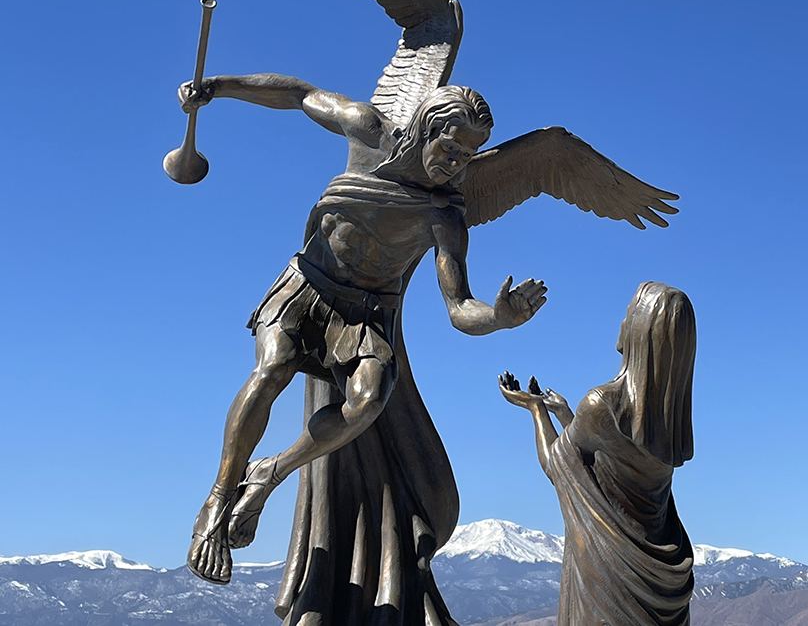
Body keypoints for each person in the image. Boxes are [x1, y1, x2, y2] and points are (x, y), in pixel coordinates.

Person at [178, 75, 547, 588]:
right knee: (272, 368)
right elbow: (299, 96)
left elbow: (459, 307)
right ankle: (219, 495)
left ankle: (269, 473)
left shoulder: (445, 215)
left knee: (369, 400)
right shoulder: (366, 130)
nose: (458, 162)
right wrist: (218, 87)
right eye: (451, 147)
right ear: (426, 129)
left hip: (368, 314)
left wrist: (499, 317)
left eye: (469, 154)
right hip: (307, 287)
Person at [499, 282, 696, 626]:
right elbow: (604, 466)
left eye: (629, 315)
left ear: (640, 331)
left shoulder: (600, 404)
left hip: (609, 579)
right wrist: (565, 414)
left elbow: (558, 466)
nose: (622, 323)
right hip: (660, 584)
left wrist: (535, 410)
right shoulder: (665, 426)